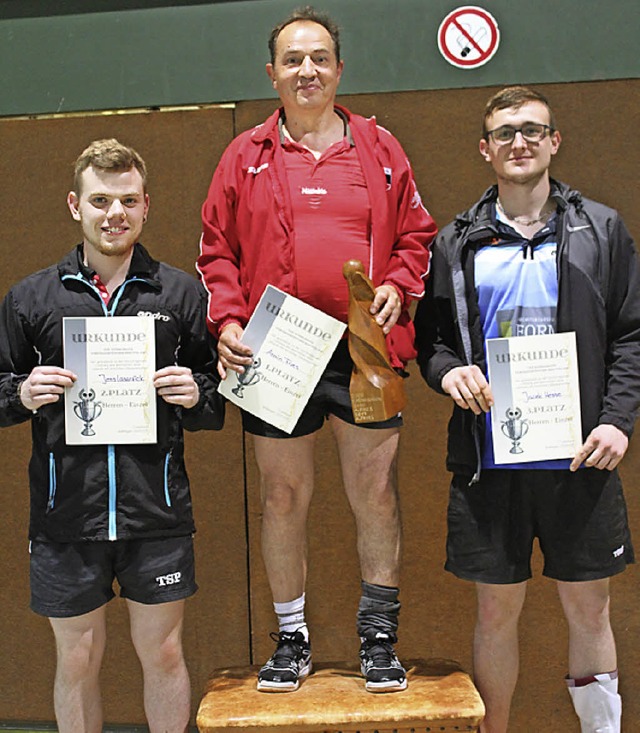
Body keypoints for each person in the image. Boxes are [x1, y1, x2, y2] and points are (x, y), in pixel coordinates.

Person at [197, 6, 436, 693]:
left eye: (320, 58)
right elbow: (217, 250)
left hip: (365, 348)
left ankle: (378, 637)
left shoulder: (381, 147)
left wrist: (397, 284)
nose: (307, 70)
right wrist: (230, 322)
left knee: (377, 495)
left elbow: (417, 236)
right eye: (293, 60)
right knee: (281, 496)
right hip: (278, 350)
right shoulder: (243, 156)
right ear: (271, 73)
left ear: (339, 69)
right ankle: (292, 637)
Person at [415, 86, 640, 732]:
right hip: (492, 461)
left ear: (554, 141)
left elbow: (631, 333)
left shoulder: (600, 227)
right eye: (506, 132)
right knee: (493, 615)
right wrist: (449, 371)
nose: (520, 142)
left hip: (581, 455)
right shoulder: (456, 241)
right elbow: (431, 342)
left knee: (590, 611)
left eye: (533, 130)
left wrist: (616, 420)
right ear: (485, 149)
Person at [0, 139, 224, 733]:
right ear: (76, 205)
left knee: (166, 654)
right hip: (64, 514)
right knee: (76, 660)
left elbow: (213, 398)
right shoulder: (30, 299)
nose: (114, 213)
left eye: (127, 200)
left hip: (157, 511)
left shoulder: (180, 294)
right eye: (100, 200)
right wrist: (20, 393)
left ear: (146, 206)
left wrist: (198, 393)